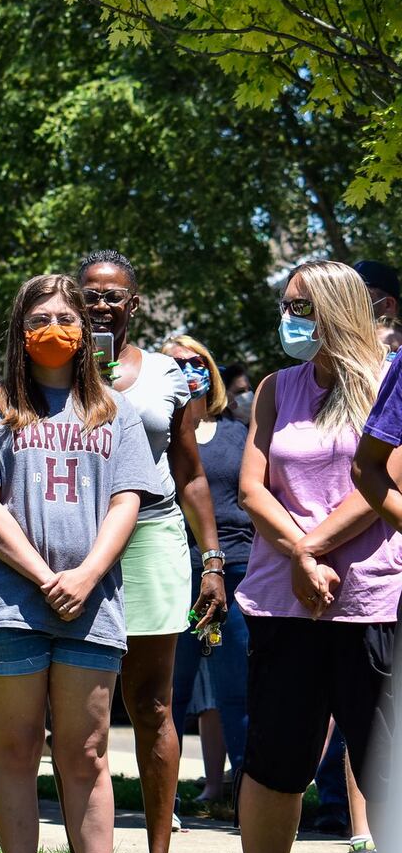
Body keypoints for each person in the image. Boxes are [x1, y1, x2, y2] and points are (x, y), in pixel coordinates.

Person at [0, 273, 161, 853]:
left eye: (67, 318)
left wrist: (88, 573)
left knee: (88, 750)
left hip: (93, 606)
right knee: (14, 747)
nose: (56, 329)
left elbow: (129, 500)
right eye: (41, 318)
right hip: (11, 605)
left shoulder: (115, 413)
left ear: (86, 333)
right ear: (19, 330)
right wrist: (47, 576)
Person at [49, 251, 226, 853]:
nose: (101, 307)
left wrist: (212, 559)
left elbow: (190, 473)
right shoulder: (50, 366)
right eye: (90, 296)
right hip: (76, 539)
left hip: (151, 535)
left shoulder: (169, 376)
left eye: (114, 297)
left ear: (134, 304)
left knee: (151, 705)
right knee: (76, 708)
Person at [232, 260, 401, 853]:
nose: (290, 317)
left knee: (384, 760)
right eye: (286, 304)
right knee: (274, 759)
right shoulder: (276, 388)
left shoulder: (391, 380)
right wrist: (299, 555)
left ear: (339, 309)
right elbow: (252, 486)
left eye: (301, 305)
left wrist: (314, 551)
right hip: (285, 602)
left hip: (369, 601)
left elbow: (377, 486)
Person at [158, 336, 248, 804]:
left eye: (197, 363)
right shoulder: (156, 432)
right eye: (175, 364)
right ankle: (163, 801)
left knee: (239, 691)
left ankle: (246, 799)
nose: (188, 370)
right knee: (168, 692)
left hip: (238, 568)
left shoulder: (239, 432)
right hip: (176, 567)